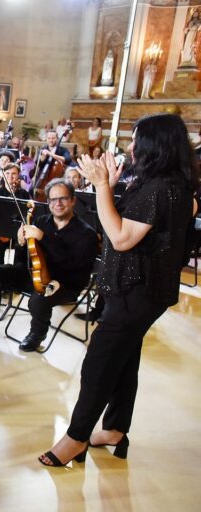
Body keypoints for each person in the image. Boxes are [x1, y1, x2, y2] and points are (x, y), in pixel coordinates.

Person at [39, 114, 199, 466]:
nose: (131, 146)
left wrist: (100, 187)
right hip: (146, 289)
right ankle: (115, 430)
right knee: (125, 359)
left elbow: (121, 238)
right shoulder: (172, 184)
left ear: (155, 146)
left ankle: (75, 438)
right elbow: (115, 220)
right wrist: (109, 184)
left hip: (136, 290)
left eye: (137, 140)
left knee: (98, 364)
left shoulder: (159, 189)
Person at [0, 178, 99, 351]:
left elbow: (73, 265)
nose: (57, 203)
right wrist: (20, 242)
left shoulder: (87, 233)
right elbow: (27, 258)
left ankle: (37, 335)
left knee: (38, 299)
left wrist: (44, 238)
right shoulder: (41, 222)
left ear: (73, 200)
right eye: (53, 199)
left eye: (63, 198)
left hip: (66, 283)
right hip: (35, 273)